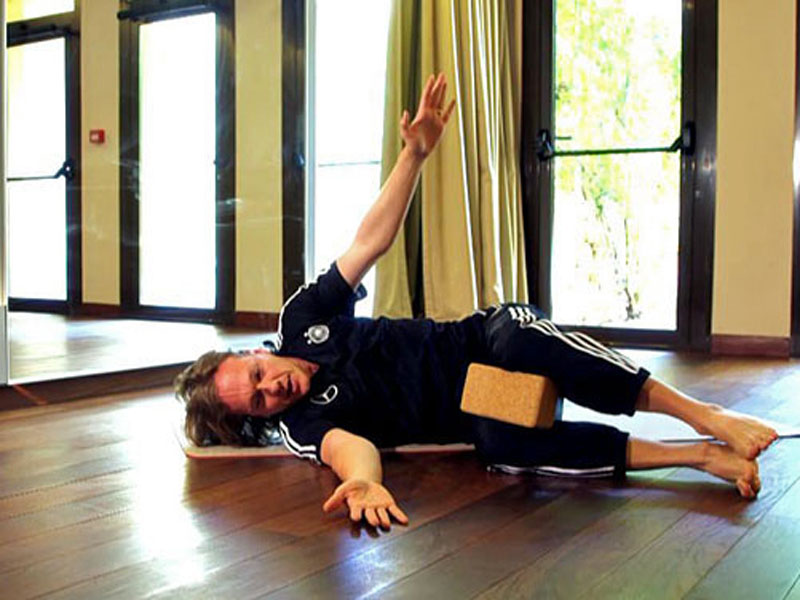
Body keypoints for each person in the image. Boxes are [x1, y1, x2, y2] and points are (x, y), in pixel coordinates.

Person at [175, 73, 778, 530]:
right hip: (476, 405)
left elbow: (368, 243)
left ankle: (702, 415)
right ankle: (697, 457)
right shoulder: (301, 425)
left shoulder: (300, 319)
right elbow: (348, 448)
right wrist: (363, 483)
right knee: (499, 445)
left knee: (517, 338)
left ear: (255, 353)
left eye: (258, 375)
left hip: (481, 337)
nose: (272, 388)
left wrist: (414, 155)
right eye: (259, 402)